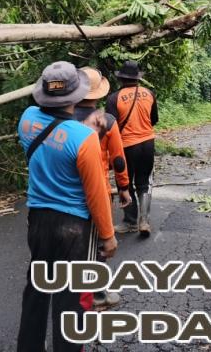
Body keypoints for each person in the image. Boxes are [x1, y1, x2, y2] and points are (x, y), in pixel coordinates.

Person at [16, 61, 117, 352]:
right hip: (73, 228)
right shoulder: (84, 138)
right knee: (70, 299)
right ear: (77, 95)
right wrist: (108, 235)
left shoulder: (27, 119)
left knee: (37, 288)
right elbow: (96, 193)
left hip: (38, 220)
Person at [74, 68, 131, 310]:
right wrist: (124, 186)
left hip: (69, 193)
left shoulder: (62, 118)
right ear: (99, 93)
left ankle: (72, 292)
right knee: (99, 244)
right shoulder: (106, 121)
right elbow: (118, 158)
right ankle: (97, 295)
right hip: (98, 190)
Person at [106, 60, 158, 236]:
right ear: (137, 78)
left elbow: (110, 126)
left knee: (125, 183)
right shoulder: (149, 93)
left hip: (127, 146)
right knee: (143, 182)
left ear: (121, 78)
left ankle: (130, 221)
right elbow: (154, 119)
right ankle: (144, 221)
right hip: (148, 143)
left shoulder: (114, 98)